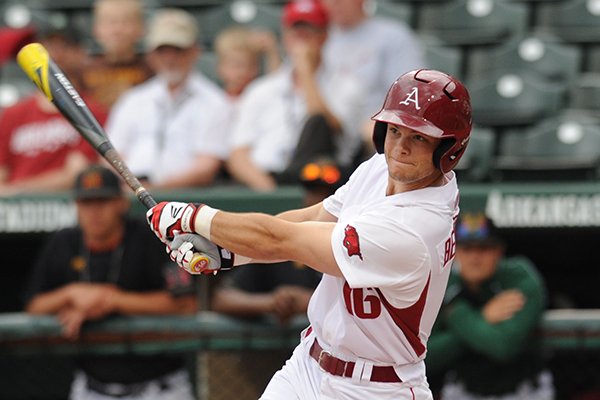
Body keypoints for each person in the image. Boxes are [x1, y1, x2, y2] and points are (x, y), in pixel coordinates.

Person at [147, 68, 473, 399]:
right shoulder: (380, 169)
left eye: (419, 137)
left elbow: (283, 240)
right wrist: (229, 251)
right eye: (394, 130)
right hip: (308, 365)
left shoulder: (413, 229)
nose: (400, 147)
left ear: (448, 149)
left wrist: (196, 218)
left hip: (375, 388)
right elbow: (313, 218)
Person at [24, 164, 197, 400]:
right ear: (76, 206)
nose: (94, 211)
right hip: (92, 387)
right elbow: (34, 305)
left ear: (121, 203)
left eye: (102, 201)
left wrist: (111, 300)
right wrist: (72, 294)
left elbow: (186, 303)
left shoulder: (150, 237)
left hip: (159, 386)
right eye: (87, 203)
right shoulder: (64, 242)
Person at [226, 0, 365, 195]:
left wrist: (306, 72)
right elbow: (238, 154)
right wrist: (270, 192)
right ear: (285, 36)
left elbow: (327, 128)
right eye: (296, 33)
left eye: (309, 33)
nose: (301, 40)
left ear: (324, 35)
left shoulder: (347, 86)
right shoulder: (261, 90)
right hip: (265, 181)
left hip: (318, 184)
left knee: (318, 126)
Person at [426, 212, 554, 399]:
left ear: (499, 251)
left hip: (523, 388)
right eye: (467, 249)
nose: (475, 258)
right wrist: (482, 317)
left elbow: (503, 347)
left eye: (484, 248)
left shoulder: (518, 277)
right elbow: (424, 356)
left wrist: (457, 316)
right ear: (455, 251)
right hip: (464, 389)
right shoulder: (444, 283)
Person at [106, 8, 232, 189]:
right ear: (151, 54)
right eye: (162, 50)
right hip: (129, 197)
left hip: (186, 202)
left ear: (194, 51)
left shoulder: (215, 102)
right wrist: (134, 188)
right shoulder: (133, 99)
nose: (170, 58)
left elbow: (206, 167)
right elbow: (111, 156)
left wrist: (156, 189)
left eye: (178, 50)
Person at [0, 25, 104, 196]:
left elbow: (75, 174)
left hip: (66, 205)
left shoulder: (91, 112)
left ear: (81, 53)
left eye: (65, 47)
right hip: (14, 212)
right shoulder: (14, 114)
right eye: (49, 46)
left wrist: (18, 190)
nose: (56, 54)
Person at [321, 0, 425, 155]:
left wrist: (381, 122)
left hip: (368, 137)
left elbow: (411, 94)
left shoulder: (392, 36)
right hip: (324, 131)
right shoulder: (316, 36)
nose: (335, 3)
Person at [81, 0, 153, 109]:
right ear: (96, 29)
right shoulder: (81, 71)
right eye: (110, 22)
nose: (117, 30)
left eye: (126, 22)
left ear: (141, 28)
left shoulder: (152, 69)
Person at [214, 25, 281, 104]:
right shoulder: (214, 100)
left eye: (251, 66)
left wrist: (272, 52)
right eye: (237, 66)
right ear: (220, 67)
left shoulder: (260, 96)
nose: (243, 72)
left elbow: (276, 83)